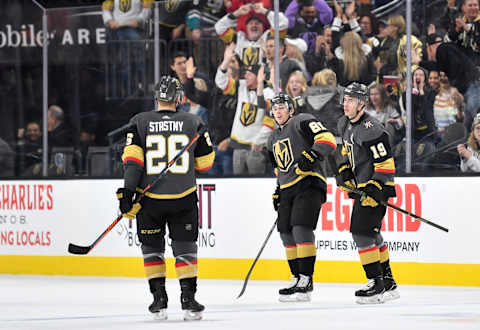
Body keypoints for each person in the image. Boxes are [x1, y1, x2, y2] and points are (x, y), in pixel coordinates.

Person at [117, 75, 215, 320]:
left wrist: (127, 192)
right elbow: (206, 163)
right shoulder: (194, 121)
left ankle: (158, 300)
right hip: (183, 197)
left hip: (149, 200)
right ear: (179, 98)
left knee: (152, 248)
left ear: (156, 98)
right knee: (185, 248)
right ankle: (188, 299)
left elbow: (132, 161)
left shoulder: (139, 122)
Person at [266, 93, 336, 302]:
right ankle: (296, 277)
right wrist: (278, 189)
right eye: (275, 108)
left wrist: (311, 155)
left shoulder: (302, 120)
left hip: (309, 182)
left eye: (282, 108)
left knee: (300, 227)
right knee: (285, 231)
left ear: (291, 110)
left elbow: (327, 139)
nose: (278, 112)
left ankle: (306, 278)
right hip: (287, 188)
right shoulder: (272, 138)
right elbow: (279, 168)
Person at [334, 82, 399, 304]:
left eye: (351, 100)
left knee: (360, 232)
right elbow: (345, 150)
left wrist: (374, 187)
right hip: (363, 187)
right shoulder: (344, 123)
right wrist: (344, 171)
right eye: (345, 99)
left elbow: (386, 163)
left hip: (377, 187)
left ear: (362, 103)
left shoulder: (372, 127)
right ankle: (388, 281)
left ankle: (376, 282)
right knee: (371, 233)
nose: (346, 104)